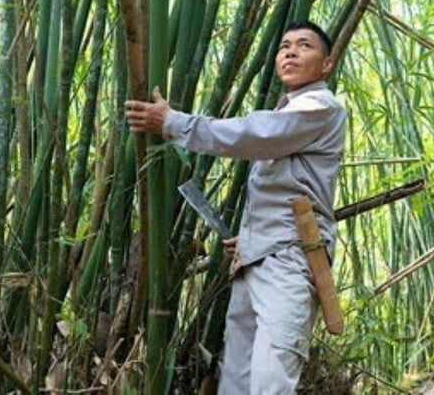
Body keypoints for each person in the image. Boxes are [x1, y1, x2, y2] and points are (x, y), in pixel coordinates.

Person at [124, 20, 345, 394]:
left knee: (269, 381)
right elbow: (282, 194)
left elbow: (253, 134)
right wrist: (250, 239)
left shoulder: (319, 107)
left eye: (304, 45)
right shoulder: (291, 110)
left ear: (327, 65)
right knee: (237, 381)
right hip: (257, 257)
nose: (290, 51)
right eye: (284, 46)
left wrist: (174, 123)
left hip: (290, 259)